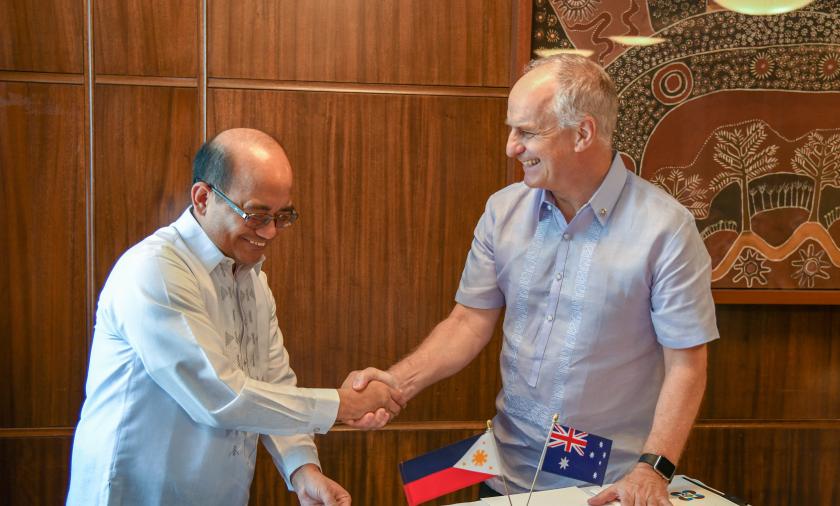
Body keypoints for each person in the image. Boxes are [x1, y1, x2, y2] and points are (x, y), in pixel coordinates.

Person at [345, 55, 718, 505]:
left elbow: (687, 364)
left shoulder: (666, 229)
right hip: (503, 469)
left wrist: (653, 468)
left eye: (526, 132)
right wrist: (396, 383)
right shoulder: (503, 211)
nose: (510, 147)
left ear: (583, 133)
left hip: (604, 484)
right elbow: (468, 321)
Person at [67, 128, 403, 506]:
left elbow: (273, 381)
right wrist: (344, 404)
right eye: (257, 214)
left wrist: (302, 470)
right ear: (203, 198)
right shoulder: (154, 270)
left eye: (283, 216)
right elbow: (222, 396)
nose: (271, 232)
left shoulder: (252, 277)